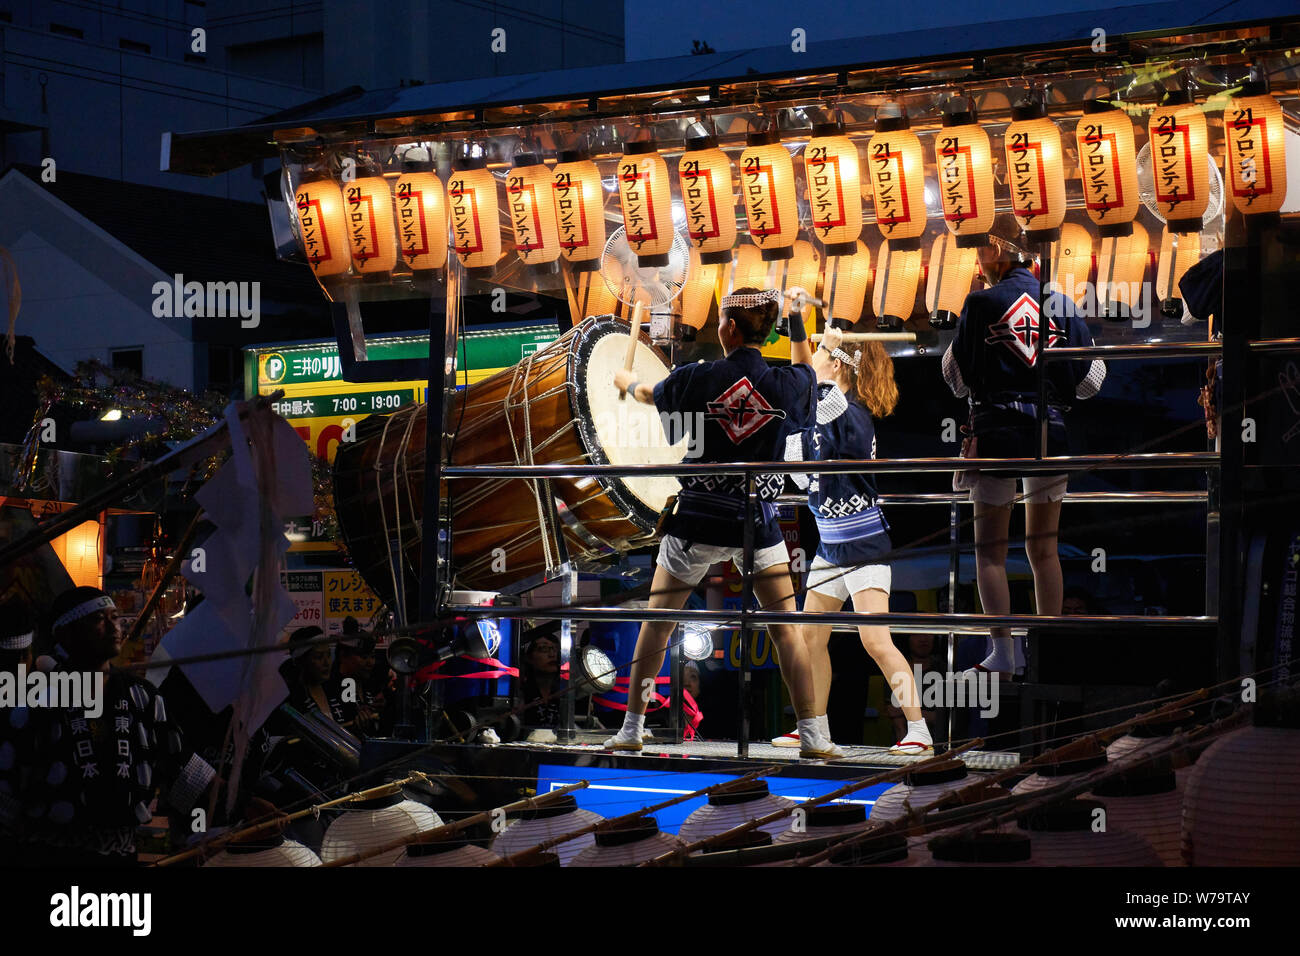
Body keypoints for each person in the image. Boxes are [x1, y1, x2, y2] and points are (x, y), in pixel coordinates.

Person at [607, 286, 839, 758]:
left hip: (696, 520)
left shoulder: (697, 377)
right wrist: (797, 320)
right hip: (757, 524)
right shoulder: (786, 384)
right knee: (785, 630)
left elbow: (651, 394)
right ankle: (815, 736)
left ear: (729, 328)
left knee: (659, 623)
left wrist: (626, 382)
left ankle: (632, 729)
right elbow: (807, 374)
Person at [941, 217, 1106, 675]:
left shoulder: (980, 302)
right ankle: (1047, 649)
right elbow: (1092, 380)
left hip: (996, 433)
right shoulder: (1062, 303)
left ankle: (1004, 653)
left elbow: (956, 379)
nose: (976, 262)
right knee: (1044, 549)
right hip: (1052, 434)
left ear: (997, 251)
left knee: (990, 552)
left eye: (979, 251)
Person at [772, 318, 933, 755]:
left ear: (840, 366)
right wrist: (803, 332)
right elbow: (795, 462)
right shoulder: (823, 413)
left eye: (822, 356)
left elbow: (813, 395)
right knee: (810, 639)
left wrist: (818, 341)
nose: (813, 363)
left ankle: (918, 730)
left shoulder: (850, 413)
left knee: (876, 640)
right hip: (829, 544)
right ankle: (815, 727)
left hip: (863, 544)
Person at [7, 586, 218, 866]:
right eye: (97, 619)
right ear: (65, 635)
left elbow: (184, 770)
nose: (113, 626)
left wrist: (244, 804)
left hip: (122, 857)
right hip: (48, 857)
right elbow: (7, 794)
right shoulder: (34, 703)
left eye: (115, 617)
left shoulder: (143, 696)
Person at [519, 628, 567, 727]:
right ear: (529, 657)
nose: (552, 655)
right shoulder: (520, 692)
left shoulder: (567, 691)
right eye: (544, 649)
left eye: (555, 649)